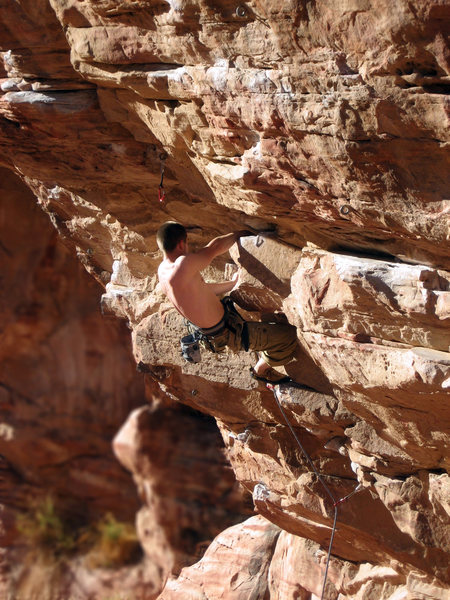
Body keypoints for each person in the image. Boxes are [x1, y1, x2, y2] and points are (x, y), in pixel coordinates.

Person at [156, 221, 298, 383]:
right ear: (182, 243)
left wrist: (231, 285)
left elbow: (201, 289)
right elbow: (213, 249)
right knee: (288, 338)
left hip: (209, 329)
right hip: (225, 333)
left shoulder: (163, 270)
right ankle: (260, 371)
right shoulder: (182, 264)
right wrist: (240, 233)